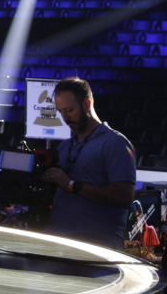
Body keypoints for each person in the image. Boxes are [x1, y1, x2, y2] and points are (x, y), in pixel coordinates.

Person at [40, 77, 137, 248]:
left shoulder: (115, 143)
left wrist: (70, 184)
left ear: (87, 104)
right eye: (60, 111)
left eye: (69, 110)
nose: (65, 117)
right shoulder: (64, 146)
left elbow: (124, 197)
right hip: (61, 243)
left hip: (97, 246)